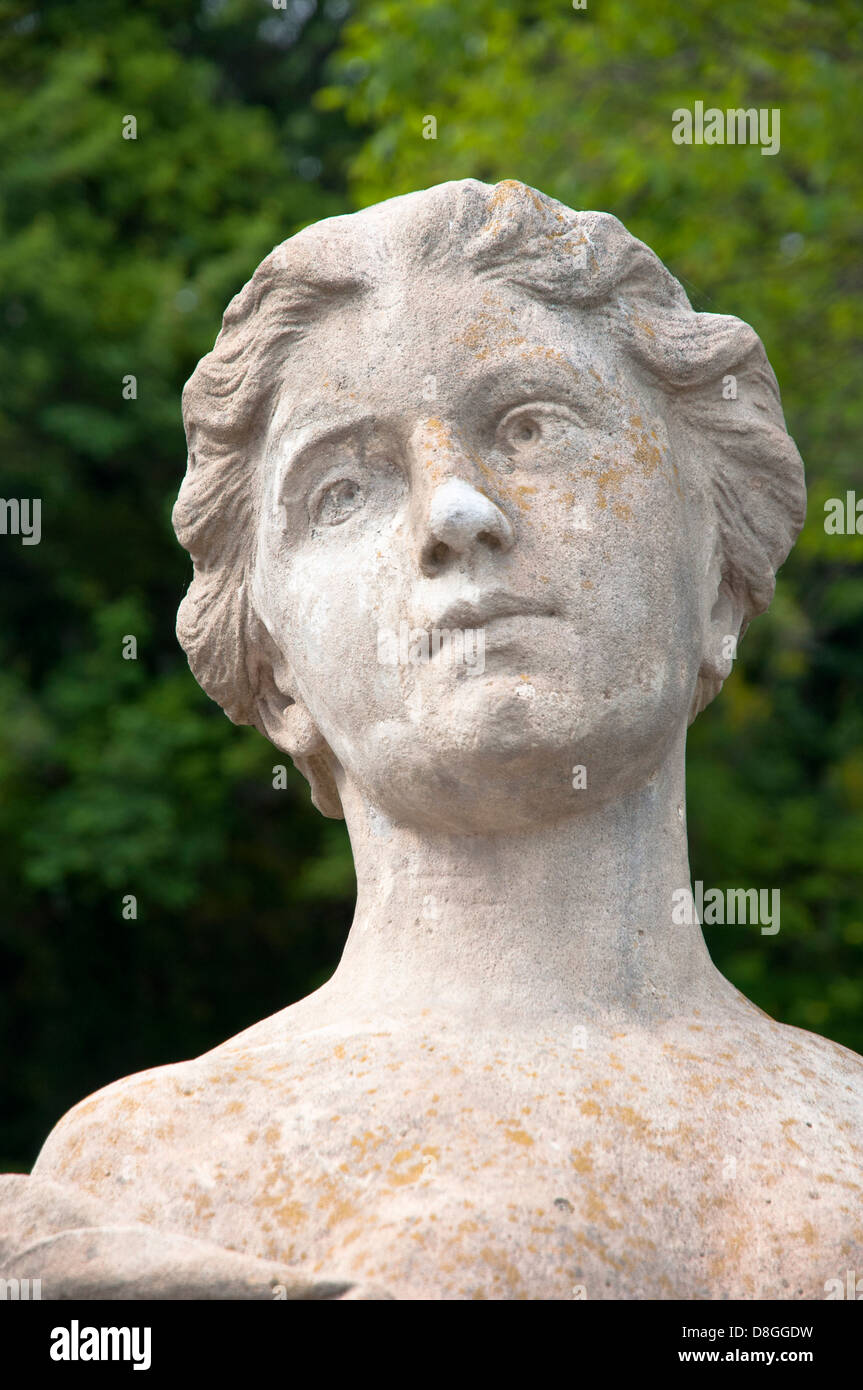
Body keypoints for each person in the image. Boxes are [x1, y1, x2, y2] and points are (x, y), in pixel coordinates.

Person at [3, 180, 859, 1300]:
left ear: (719, 565)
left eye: (531, 425)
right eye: (344, 487)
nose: (456, 511)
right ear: (274, 670)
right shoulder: (146, 1175)